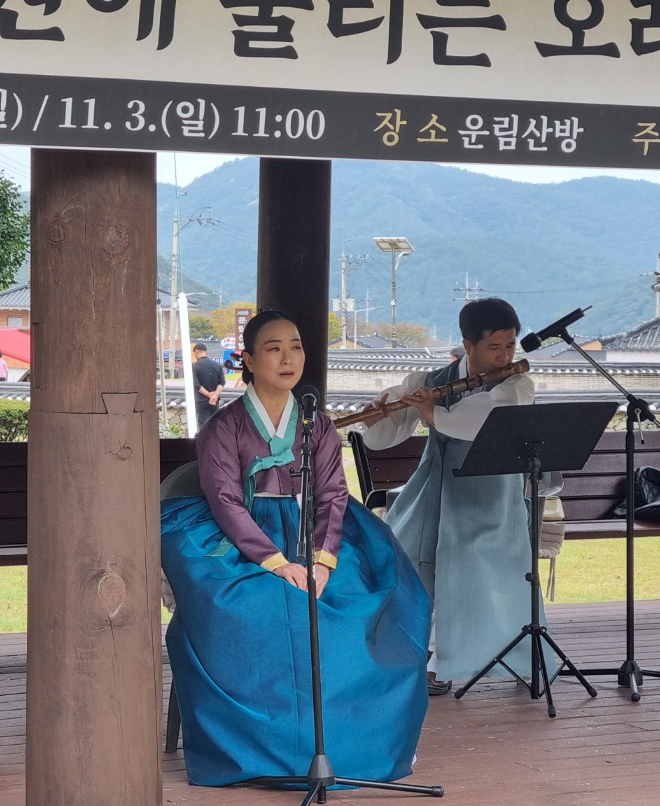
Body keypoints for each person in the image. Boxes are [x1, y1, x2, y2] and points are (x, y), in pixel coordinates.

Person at [161, 310, 431, 787]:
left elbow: (332, 493)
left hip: (316, 532)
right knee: (261, 607)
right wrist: (277, 561)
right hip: (243, 539)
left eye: (297, 346)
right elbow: (224, 500)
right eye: (273, 348)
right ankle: (264, 753)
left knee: (359, 602)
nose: (288, 358)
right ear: (246, 358)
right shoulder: (223, 427)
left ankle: (350, 751)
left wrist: (324, 558)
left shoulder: (318, 424)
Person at [360, 297, 539, 694]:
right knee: (406, 556)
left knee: (474, 569)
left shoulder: (517, 383)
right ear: (468, 344)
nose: (504, 355)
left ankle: (461, 661)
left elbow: (486, 418)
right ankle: (414, 653)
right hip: (434, 490)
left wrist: (433, 415)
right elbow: (389, 429)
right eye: (494, 347)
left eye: (510, 345)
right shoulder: (431, 379)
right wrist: (378, 417)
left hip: (490, 494)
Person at [189, 342, 225, 428]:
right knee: (215, 425)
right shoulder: (217, 366)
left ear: (197, 352)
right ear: (206, 352)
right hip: (215, 401)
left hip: (201, 400)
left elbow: (196, 384)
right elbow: (222, 382)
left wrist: (208, 394)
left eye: (194, 353)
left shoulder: (194, 367)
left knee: (204, 427)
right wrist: (214, 395)